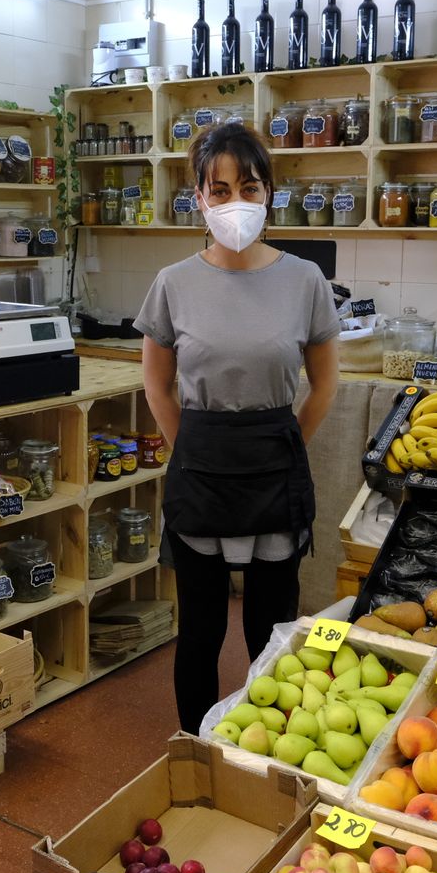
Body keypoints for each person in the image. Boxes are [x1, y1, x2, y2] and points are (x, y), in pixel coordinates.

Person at [134, 121, 340, 733]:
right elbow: (156, 385)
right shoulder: (172, 283)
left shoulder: (304, 280)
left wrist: (285, 443)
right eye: (219, 190)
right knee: (200, 629)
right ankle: (196, 751)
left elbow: (325, 383)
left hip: (275, 468)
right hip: (200, 470)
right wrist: (192, 447)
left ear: (270, 193)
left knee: (271, 630)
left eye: (247, 187)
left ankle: (264, 751)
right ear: (198, 198)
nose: (234, 202)